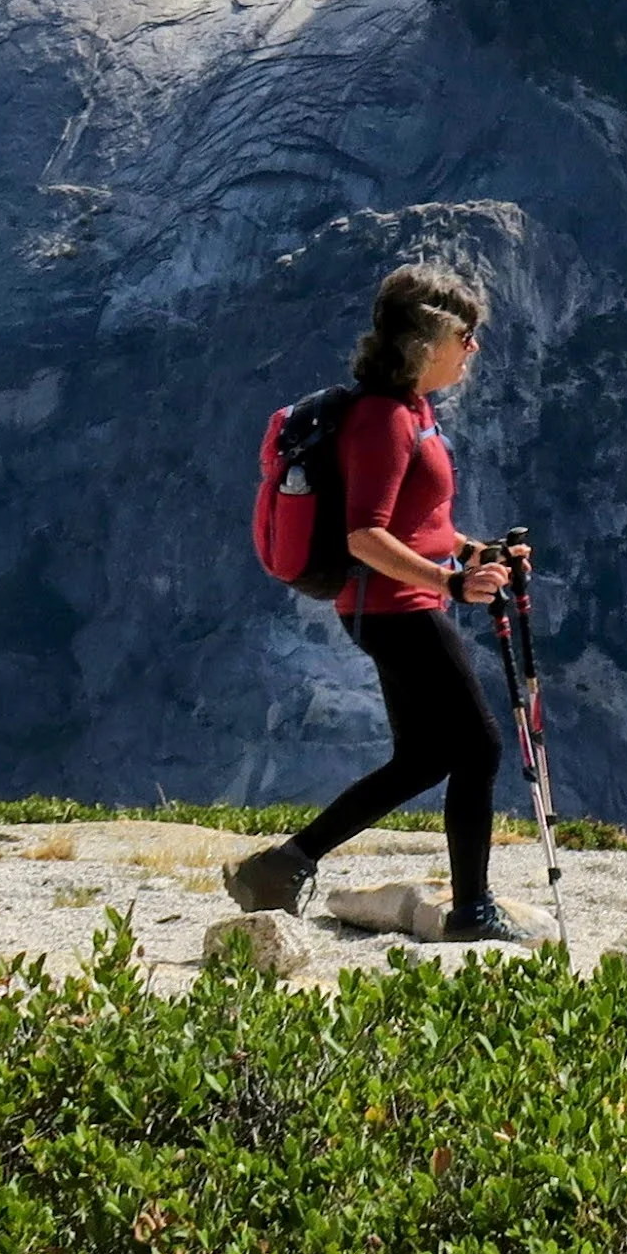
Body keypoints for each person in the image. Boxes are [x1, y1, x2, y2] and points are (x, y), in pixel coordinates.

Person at [225, 263, 542, 943]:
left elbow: (419, 522)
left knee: (424, 757)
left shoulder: (413, 410)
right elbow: (364, 535)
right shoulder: (381, 419)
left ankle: (282, 864)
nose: (473, 347)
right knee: (481, 747)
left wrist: (477, 552)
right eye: (466, 333)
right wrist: (452, 581)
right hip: (395, 607)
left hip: (403, 599)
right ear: (427, 340)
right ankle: (470, 909)